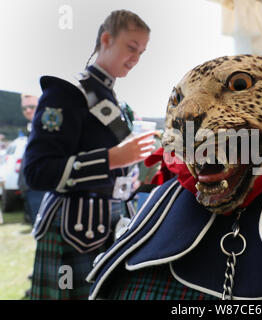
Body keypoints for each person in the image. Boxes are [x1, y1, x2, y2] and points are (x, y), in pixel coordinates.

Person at [23, 10, 156, 300]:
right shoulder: (65, 93)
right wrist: (113, 159)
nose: (135, 59)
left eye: (142, 52)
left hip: (112, 226)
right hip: (73, 231)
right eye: (131, 47)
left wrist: (132, 174)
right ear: (106, 39)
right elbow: (36, 172)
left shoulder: (115, 103)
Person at [18, 94, 46, 225]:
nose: (28, 110)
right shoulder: (33, 126)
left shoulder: (46, 125)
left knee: (42, 229)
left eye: (31, 106)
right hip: (30, 188)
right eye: (24, 108)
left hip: (40, 189)